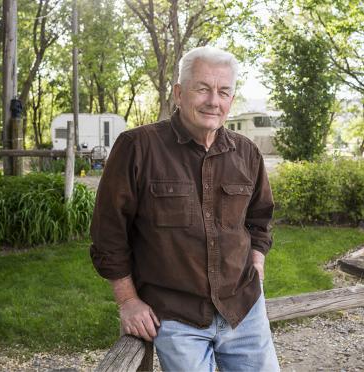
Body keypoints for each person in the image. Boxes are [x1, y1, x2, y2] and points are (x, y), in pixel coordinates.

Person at [90, 46, 279, 371]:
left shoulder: (247, 153)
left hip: (244, 309)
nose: (213, 101)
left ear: (231, 100)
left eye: (223, 91)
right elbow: (108, 235)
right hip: (177, 317)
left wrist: (257, 265)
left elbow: (260, 219)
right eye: (202, 88)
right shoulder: (137, 147)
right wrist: (128, 301)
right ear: (179, 93)